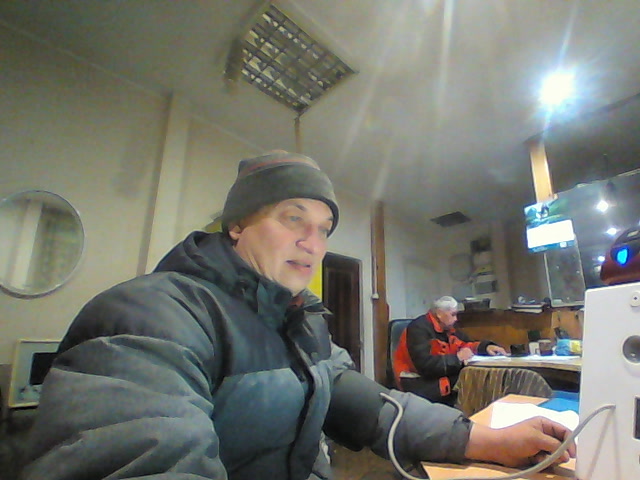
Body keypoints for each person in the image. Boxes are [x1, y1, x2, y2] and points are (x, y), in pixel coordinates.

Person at [21, 151, 574, 480]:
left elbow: (371, 407)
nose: (313, 244)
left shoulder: (304, 325)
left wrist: (477, 439)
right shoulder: (150, 314)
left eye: (324, 229)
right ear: (237, 224)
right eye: (293, 218)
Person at [393, 296, 507, 406]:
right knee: (473, 383)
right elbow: (425, 366)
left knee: (478, 381)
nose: (456, 319)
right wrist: (458, 358)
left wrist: (485, 348)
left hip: (440, 376)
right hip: (417, 382)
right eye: (453, 314)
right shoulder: (418, 329)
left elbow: (465, 344)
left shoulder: (447, 328)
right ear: (439, 314)